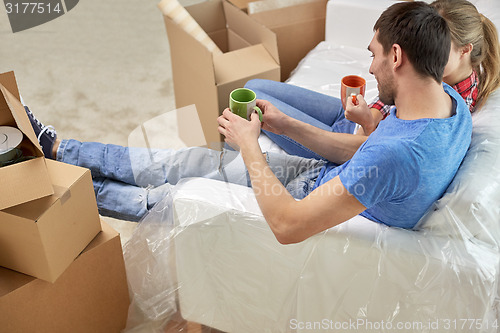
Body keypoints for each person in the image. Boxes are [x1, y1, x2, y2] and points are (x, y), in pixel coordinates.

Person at [27, 2, 471, 245]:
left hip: (304, 206)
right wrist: (283, 125)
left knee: (167, 197)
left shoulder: (400, 155)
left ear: (397, 57)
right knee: (179, 162)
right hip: (321, 177)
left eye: (374, 55)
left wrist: (250, 143)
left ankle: (68, 186)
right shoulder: (449, 104)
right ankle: (60, 149)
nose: (370, 68)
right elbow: (363, 153)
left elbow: (288, 226)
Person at [246, 0, 499, 160]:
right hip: (355, 120)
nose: (424, 50)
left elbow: (383, 150)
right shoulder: (440, 75)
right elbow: (394, 100)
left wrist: (367, 123)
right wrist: (373, 111)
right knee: (253, 87)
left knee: (252, 100)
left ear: (465, 50)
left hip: (349, 142)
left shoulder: (449, 104)